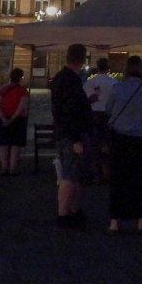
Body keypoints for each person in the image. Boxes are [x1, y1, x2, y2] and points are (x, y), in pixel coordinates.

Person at [105, 55, 142, 234]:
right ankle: (141, 219)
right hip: (141, 139)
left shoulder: (117, 88)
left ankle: (115, 220)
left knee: (119, 179)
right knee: (140, 180)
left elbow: (109, 109)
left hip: (120, 139)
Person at [51, 44, 92, 229]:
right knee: (68, 175)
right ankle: (64, 214)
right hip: (71, 135)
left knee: (72, 174)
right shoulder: (71, 80)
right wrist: (76, 138)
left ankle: (72, 211)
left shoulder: (60, 77)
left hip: (63, 133)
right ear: (82, 59)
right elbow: (70, 111)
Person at [84, 57, 117, 183]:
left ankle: (96, 173)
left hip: (94, 114)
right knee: (108, 144)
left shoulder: (90, 82)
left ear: (97, 67)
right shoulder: (114, 83)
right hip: (109, 115)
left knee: (94, 144)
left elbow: (85, 100)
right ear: (108, 68)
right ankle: (107, 172)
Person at [0, 67, 30, 176]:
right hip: (17, 120)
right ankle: (12, 169)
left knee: (3, 144)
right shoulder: (22, 90)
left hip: (4, 119)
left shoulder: (3, 89)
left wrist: (3, 118)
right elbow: (21, 107)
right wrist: (12, 119)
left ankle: (3, 167)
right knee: (15, 145)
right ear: (20, 77)